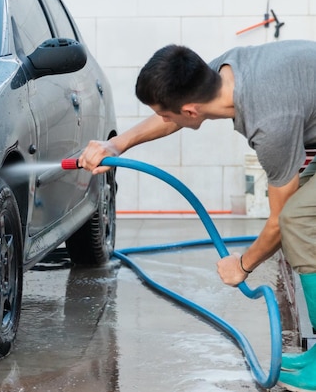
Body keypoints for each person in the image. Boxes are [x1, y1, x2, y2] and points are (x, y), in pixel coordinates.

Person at [77, 40, 316, 392]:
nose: (165, 119)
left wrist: (243, 265)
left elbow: (279, 223)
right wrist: (117, 145)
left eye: (165, 113)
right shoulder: (225, 71)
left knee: (297, 221)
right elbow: (170, 118)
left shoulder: (271, 123)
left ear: (190, 111)